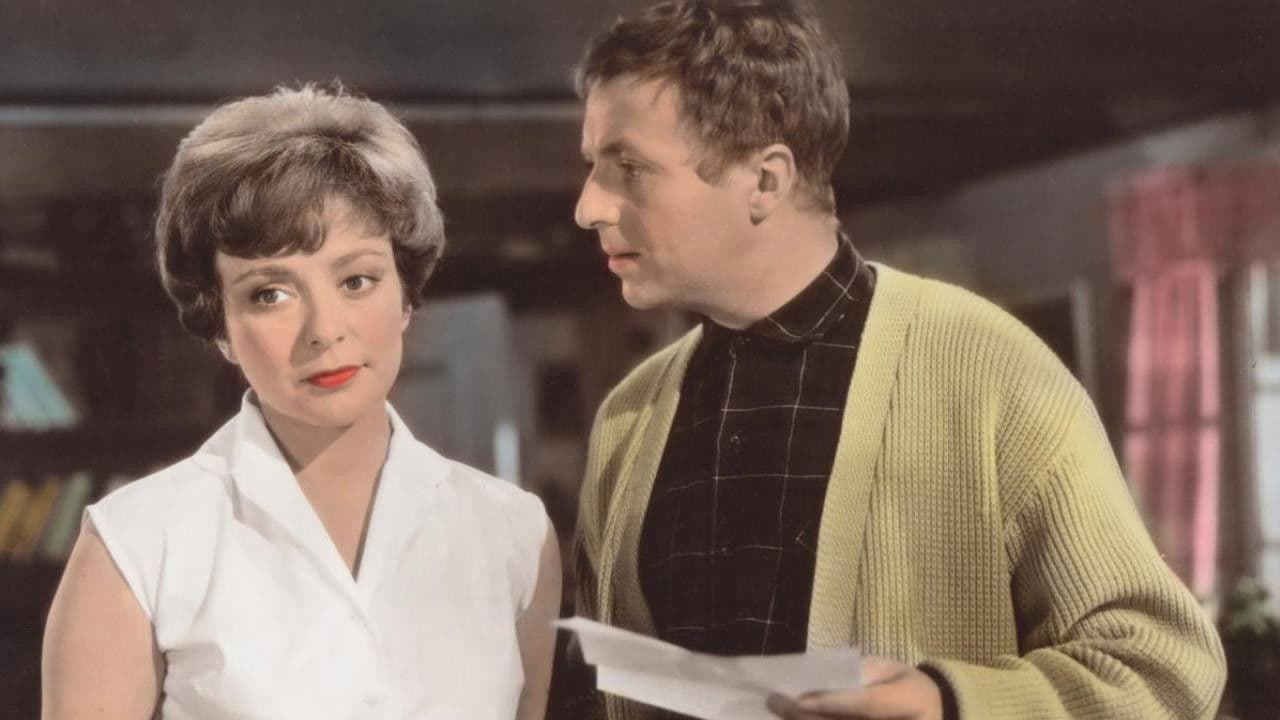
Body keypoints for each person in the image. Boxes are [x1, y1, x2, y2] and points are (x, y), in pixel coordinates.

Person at [566, 1, 1226, 719]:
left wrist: (948, 703)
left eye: (629, 167)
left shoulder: (988, 370)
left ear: (766, 180)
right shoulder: (629, 418)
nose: (588, 207)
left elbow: (1165, 667)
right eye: (594, 168)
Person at [41, 85, 560, 720]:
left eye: (357, 280)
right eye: (270, 294)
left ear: (405, 296)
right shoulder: (137, 543)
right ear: (219, 325)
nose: (324, 329)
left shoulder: (514, 534)